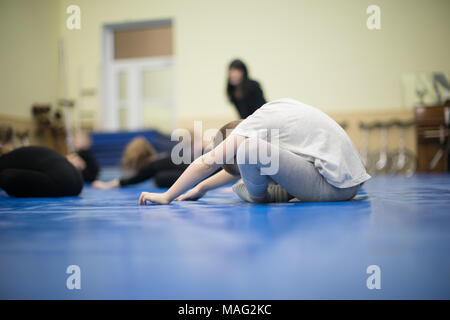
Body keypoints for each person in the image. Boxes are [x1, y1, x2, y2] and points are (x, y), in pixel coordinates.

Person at [138, 98, 371, 205]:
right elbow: (225, 160)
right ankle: (274, 190)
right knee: (255, 155)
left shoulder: (250, 133)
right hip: (345, 181)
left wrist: (167, 195)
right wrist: (201, 187)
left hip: (334, 187)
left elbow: (209, 162)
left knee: (249, 152)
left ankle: (261, 198)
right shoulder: (266, 118)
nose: (240, 173)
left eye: (238, 170)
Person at [0, 126, 83, 198]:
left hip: (63, 182)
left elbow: (8, 177)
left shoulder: (6, 160)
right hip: (78, 183)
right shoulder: (18, 154)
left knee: (5, 177)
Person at [92, 136, 188, 189]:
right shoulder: (158, 159)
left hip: (195, 175)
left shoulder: (152, 165)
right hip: (193, 170)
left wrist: (106, 185)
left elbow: (133, 180)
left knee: (160, 178)